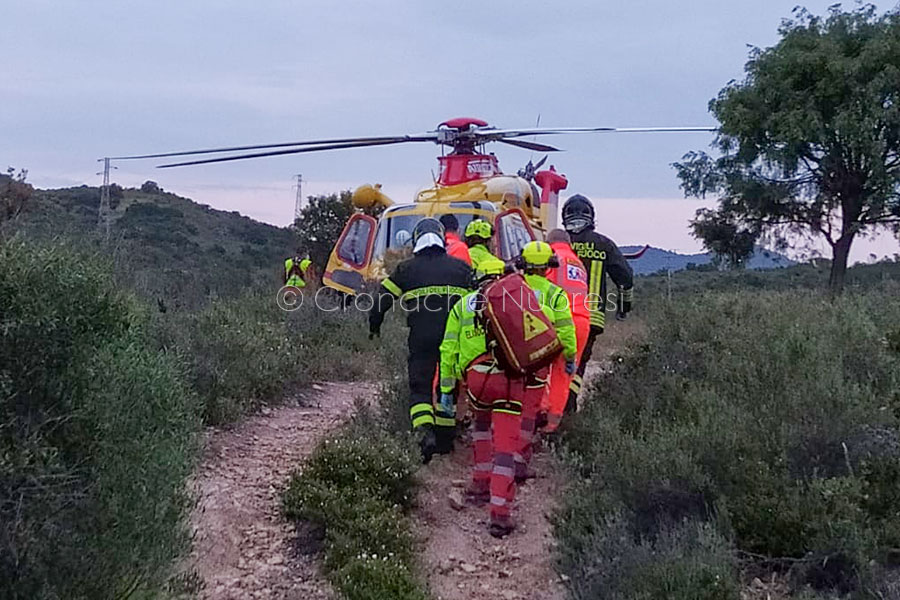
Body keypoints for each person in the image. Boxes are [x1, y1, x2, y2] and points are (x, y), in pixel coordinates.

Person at [437, 256, 526, 538]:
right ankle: (500, 514)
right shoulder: (517, 301)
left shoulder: (462, 305)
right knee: (505, 448)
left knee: (481, 428)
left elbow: (448, 351)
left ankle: (479, 483)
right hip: (510, 380)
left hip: (476, 379)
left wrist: (448, 389)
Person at [370, 218, 473, 463]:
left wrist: (374, 328)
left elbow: (380, 302)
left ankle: (424, 434)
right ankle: (446, 440)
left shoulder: (406, 269)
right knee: (447, 386)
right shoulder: (461, 269)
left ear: (416, 240)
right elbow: (477, 304)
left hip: (421, 338)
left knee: (420, 386)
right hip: (453, 340)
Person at [561, 194, 634, 409]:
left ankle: (550, 409)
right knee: (578, 364)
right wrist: (623, 307)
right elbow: (625, 278)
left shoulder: (556, 244)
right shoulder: (603, 244)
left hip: (555, 316)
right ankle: (568, 409)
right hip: (589, 317)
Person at [516, 241, 578, 480]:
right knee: (532, 402)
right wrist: (569, 356)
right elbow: (566, 331)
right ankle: (525, 450)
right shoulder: (556, 294)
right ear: (549, 267)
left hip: (513, 355)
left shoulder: (512, 289)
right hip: (541, 356)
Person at [542, 229, 591, 432]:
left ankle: (539, 415)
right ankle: (552, 426)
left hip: (557, 320)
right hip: (581, 323)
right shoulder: (578, 264)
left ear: (549, 242)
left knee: (539, 370)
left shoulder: (552, 258)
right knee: (564, 374)